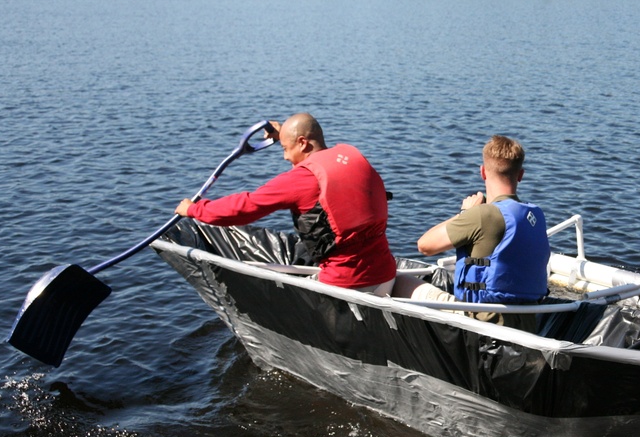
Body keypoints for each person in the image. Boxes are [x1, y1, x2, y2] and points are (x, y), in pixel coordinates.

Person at [175, 113, 396, 296]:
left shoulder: (303, 179)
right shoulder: (350, 158)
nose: (284, 157)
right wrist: (283, 133)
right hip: (386, 275)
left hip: (348, 285)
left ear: (302, 143)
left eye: (285, 149)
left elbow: (245, 207)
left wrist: (194, 209)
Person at [408, 134, 550, 332]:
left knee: (402, 282)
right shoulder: (535, 216)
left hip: (481, 320)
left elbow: (425, 246)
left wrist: (465, 213)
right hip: (525, 320)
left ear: (483, 172)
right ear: (521, 175)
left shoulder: (482, 215)